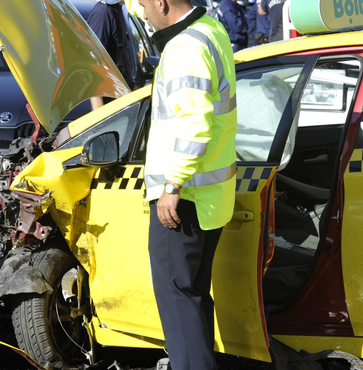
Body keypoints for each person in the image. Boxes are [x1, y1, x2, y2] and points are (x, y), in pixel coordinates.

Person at [138, 0, 237, 367]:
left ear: (162, 3)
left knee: (178, 299)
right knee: (192, 295)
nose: (142, 12)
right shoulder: (211, 29)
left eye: (144, 4)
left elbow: (195, 124)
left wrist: (171, 186)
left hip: (184, 199)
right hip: (209, 197)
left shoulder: (184, 48)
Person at [88, 0, 136, 109]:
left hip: (120, 100)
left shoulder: (117, 10)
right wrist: (99, 116)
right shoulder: (102, 13)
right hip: (108, 105)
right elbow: (93, 63)